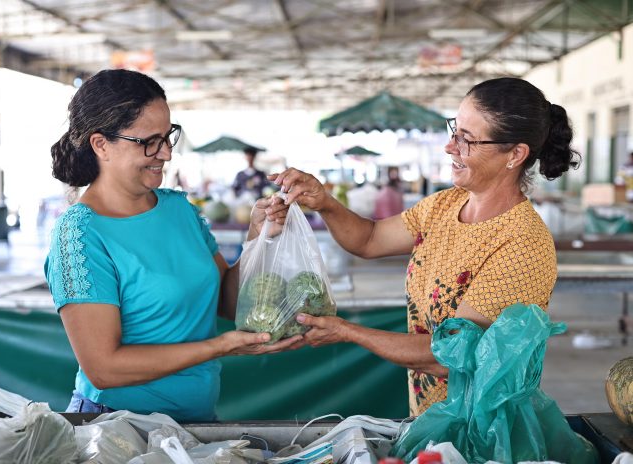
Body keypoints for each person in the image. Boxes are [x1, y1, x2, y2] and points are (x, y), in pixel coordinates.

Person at [270, 77, 580, 416]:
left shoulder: (521, 243)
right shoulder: (446, 205)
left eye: (468, 140)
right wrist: (324, 202)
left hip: (482, 427)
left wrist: (347, 331)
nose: (450, 147)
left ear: (515, 154)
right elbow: (370, 239)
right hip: (429, 417)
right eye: (454, 131)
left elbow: (450, 357)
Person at [45, 69, 300, 420]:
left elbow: (227, 301)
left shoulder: (179, 208)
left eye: (168, 137)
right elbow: (104, 368)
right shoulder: (80, 234)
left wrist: (257, 236)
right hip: (116, 426)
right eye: (149, 141)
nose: (165, 153)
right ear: (100, 144)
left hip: (195, 422)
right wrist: (220, 347)